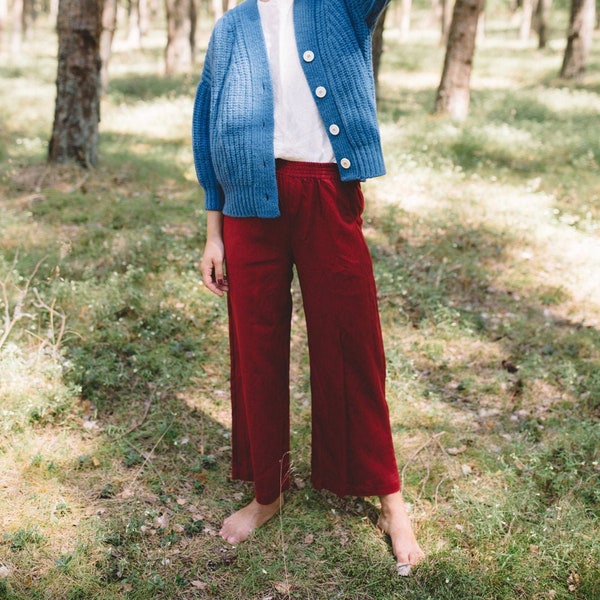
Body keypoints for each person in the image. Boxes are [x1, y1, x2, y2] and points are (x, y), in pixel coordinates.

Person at [192, 0, 424, 575]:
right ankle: (268, 492)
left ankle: (388, 498)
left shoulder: (341, 8)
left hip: (325, 191)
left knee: (354, 344)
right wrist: (213, 234)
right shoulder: (231, 28)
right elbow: (206, 126)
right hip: (248, 204)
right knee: (256, 349)